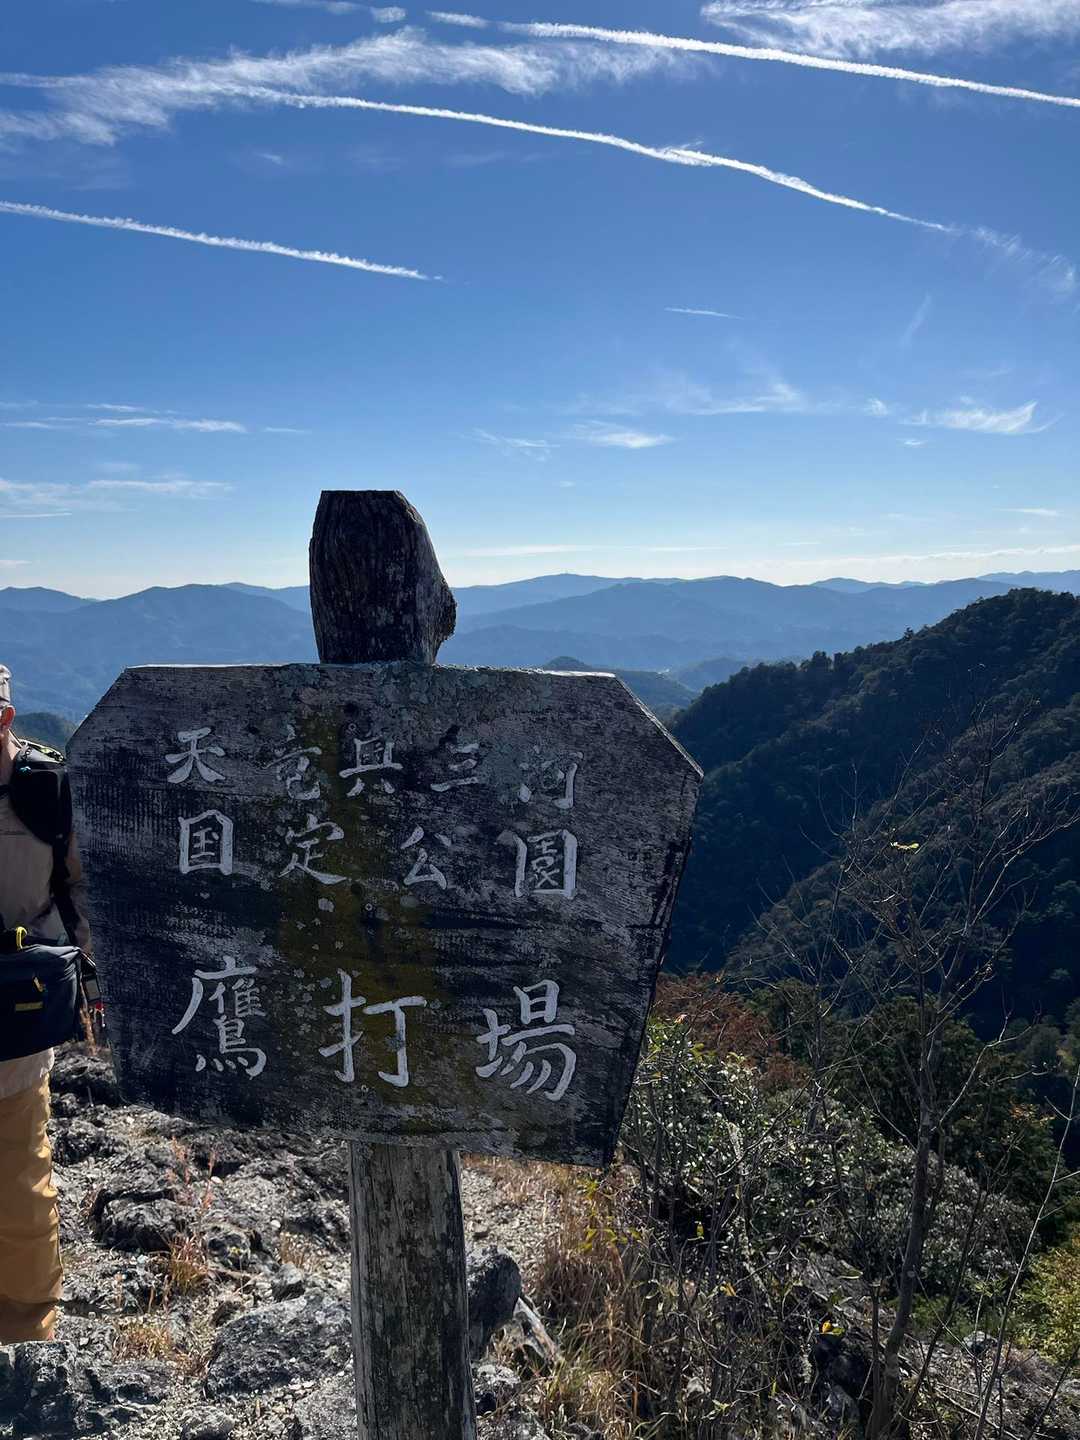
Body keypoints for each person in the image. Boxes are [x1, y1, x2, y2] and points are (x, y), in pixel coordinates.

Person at [0, 664, 91, 1343]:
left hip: (17, 1018)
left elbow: (82, 887)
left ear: (4, 718)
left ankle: (27, 1335)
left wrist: (71, 963)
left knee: (19, 1184)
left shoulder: (46, 789)